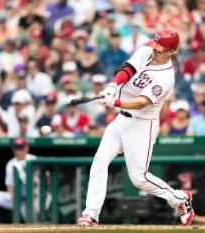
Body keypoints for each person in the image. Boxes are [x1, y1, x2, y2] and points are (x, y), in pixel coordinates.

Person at [77, 30, 194, 226]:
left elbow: (141, 102)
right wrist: (112, 86)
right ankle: (91, 214)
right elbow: (128, 69)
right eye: (155, 46)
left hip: (142, 124)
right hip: (121, 121)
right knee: (100, 161)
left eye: (160, 49)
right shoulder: (147, 50)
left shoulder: (166, 78)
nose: (155, 50)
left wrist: (114, 102)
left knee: (138, 179)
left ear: (171, 51)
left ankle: (180, 198)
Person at [0, 137, 50, 224]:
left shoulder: (34, 160)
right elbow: (9, 185)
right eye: (16, 148)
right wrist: (15, 199)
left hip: (35, 199)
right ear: (13, 149)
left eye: (21, 148)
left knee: (33, 224)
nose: (18, 151)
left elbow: (48, 178)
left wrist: (42, 192)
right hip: (18, 199)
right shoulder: (10, 163)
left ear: (26, 148)